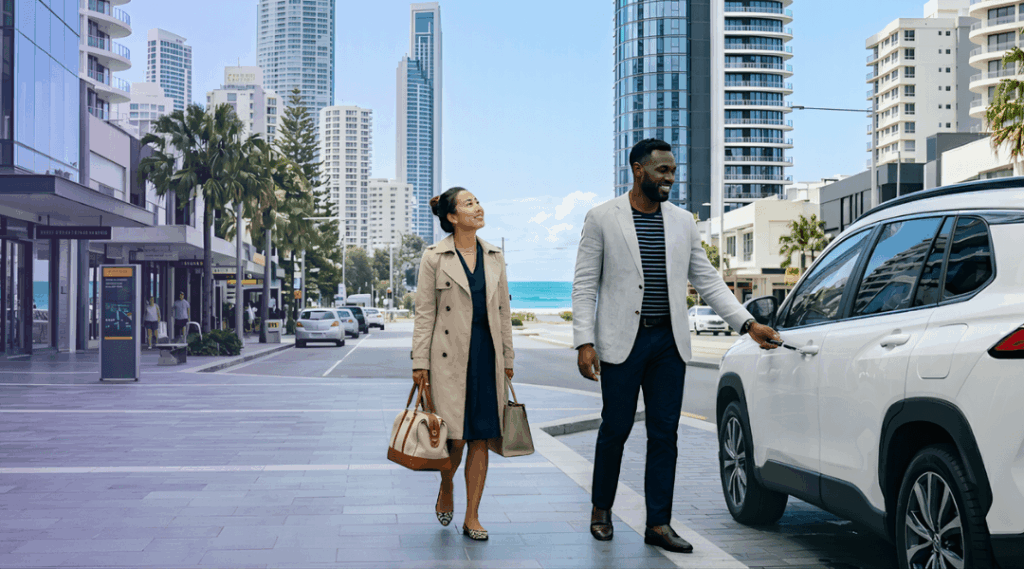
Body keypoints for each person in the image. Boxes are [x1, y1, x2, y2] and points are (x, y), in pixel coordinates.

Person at [572, 138, 781, 554]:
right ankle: (601, 509)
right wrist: (584, 341)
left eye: (672, 171)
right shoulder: (602, 218)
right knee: (615, 428)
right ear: (638, 170)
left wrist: (747, 323)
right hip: (621, 342)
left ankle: (658, 523)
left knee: (665, 434)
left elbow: (707, 280)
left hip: (668, 341)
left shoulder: (683, 221)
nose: (670, 178)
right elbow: (584, 284)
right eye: (662, 171)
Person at [412, 187, 515, 542]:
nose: (478, 207)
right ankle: (446, 485)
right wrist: (419, 362)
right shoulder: (434, 257)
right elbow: (424, 313)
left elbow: (503, 311)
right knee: (454, 438)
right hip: (448, 359)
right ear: (453, 217)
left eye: (478, 201)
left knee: (482, 437)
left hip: (487, 356)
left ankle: (472, 516)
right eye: (469, 204)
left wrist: (508, 357)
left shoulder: (495, 255)